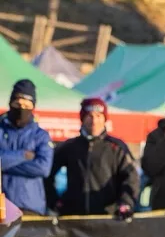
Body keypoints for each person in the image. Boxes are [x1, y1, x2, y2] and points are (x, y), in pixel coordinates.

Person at [45, 97, 139, 218]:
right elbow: (46, 173)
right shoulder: (70, 146)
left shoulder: (116, 147)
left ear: (105, 119)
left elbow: (131, 177)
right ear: (82, 119)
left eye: (99, 116)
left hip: (108, 217)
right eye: (90, 116)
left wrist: (126, 203)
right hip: (74, 218)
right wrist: (55, 202)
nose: (94, 121)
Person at [0, 79, 53, 215]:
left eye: (26, 105)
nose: (21, 108)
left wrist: (4, 164)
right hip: (2, 208)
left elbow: (43, 168)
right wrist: (23, 155)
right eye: (17, 103)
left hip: (30, 207)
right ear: (11, 103)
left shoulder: (41, 135)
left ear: (33, 106)